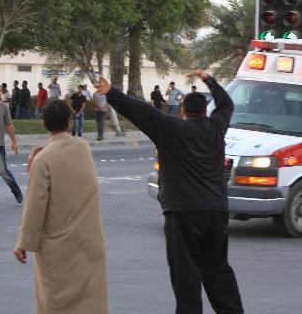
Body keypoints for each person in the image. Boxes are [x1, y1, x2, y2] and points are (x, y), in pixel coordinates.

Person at [95, 69, 244, 314]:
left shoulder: (170, 128)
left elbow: (141, 111)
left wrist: (112, 92)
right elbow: (226, 103)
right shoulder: (217, 128)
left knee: (186, 275)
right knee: (217, 270)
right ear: (205, 112)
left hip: (182, 213)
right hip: (215, 212)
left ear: (183, 111)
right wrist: (208, 79)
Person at [13, 99, 108, 314]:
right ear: (69, 121)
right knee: (89, 303)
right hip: (88, 245)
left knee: (57, 304)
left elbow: (35, 207)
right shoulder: (83, 148)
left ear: (44, 122)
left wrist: (23, 243)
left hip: (58, 250)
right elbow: (65, 156)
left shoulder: (43, 160)